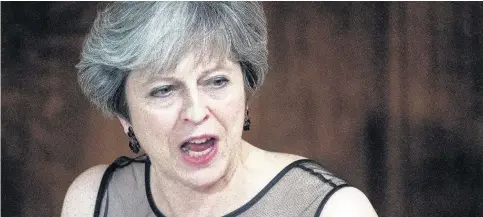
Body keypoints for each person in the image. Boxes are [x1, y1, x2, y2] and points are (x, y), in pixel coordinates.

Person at [61, 2, 378, 217]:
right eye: (164, 90)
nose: (196, 112)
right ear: (125, 117)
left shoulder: (333, 210)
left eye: (215, 81)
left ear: (245, 90)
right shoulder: (93, 202)